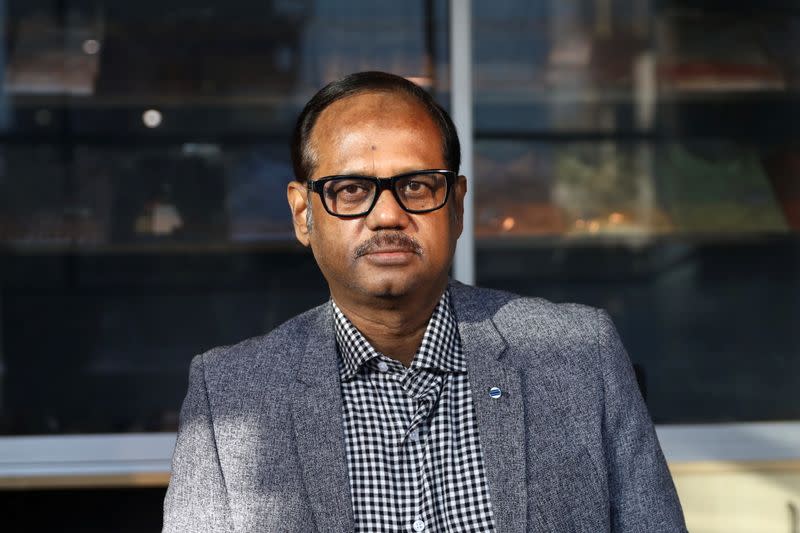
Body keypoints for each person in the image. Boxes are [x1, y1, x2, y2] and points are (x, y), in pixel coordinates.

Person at [163, 71, 687, 532]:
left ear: (456, 206)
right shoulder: (229, 395)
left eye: (415, 186)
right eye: (350, 190)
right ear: (303, 214)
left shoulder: (579, 356)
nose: (388, 216)